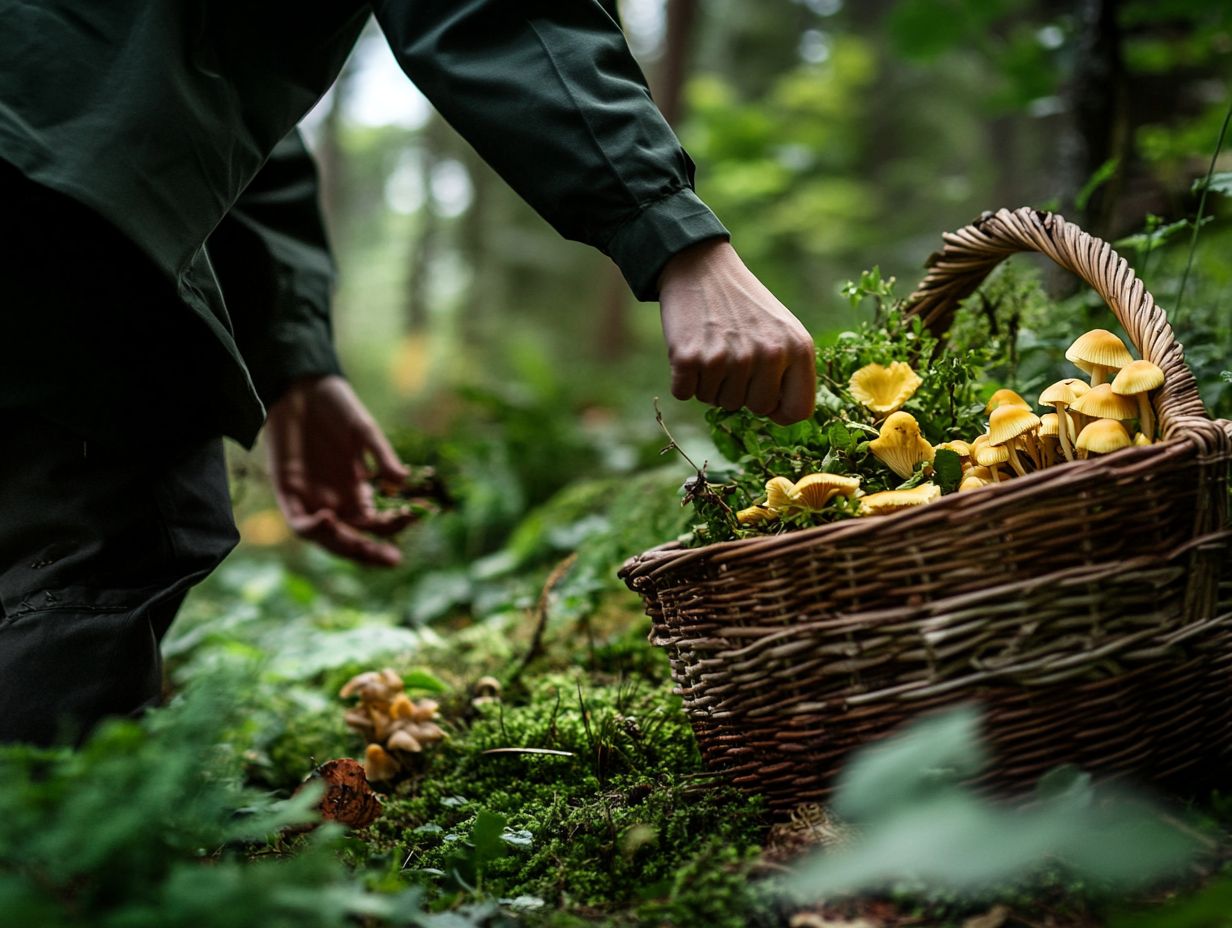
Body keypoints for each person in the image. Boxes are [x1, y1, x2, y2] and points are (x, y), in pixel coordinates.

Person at [0, 1, 816, 745]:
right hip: (39, 167)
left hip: (39, 132)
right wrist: (677, 236)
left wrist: (296, 359)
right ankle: (49, 869)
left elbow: (187, 87)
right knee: (90, 540)